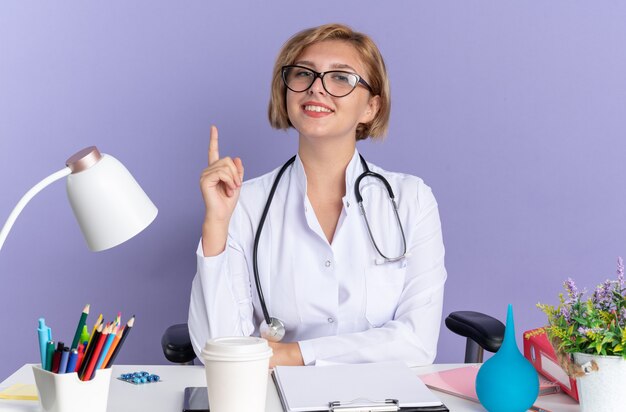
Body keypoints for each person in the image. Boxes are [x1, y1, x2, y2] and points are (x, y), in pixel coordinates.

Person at [188, 23, 447, 367]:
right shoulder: (244, 204)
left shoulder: (411, 200)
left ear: (371, 107)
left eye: (341, 77)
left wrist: (294, 353)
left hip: (380, 398)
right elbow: (217, 352)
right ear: (285, 92)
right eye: (302, 75)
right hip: (274, 397)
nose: (316, 89)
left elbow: (416, 344)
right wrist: (216, 225)